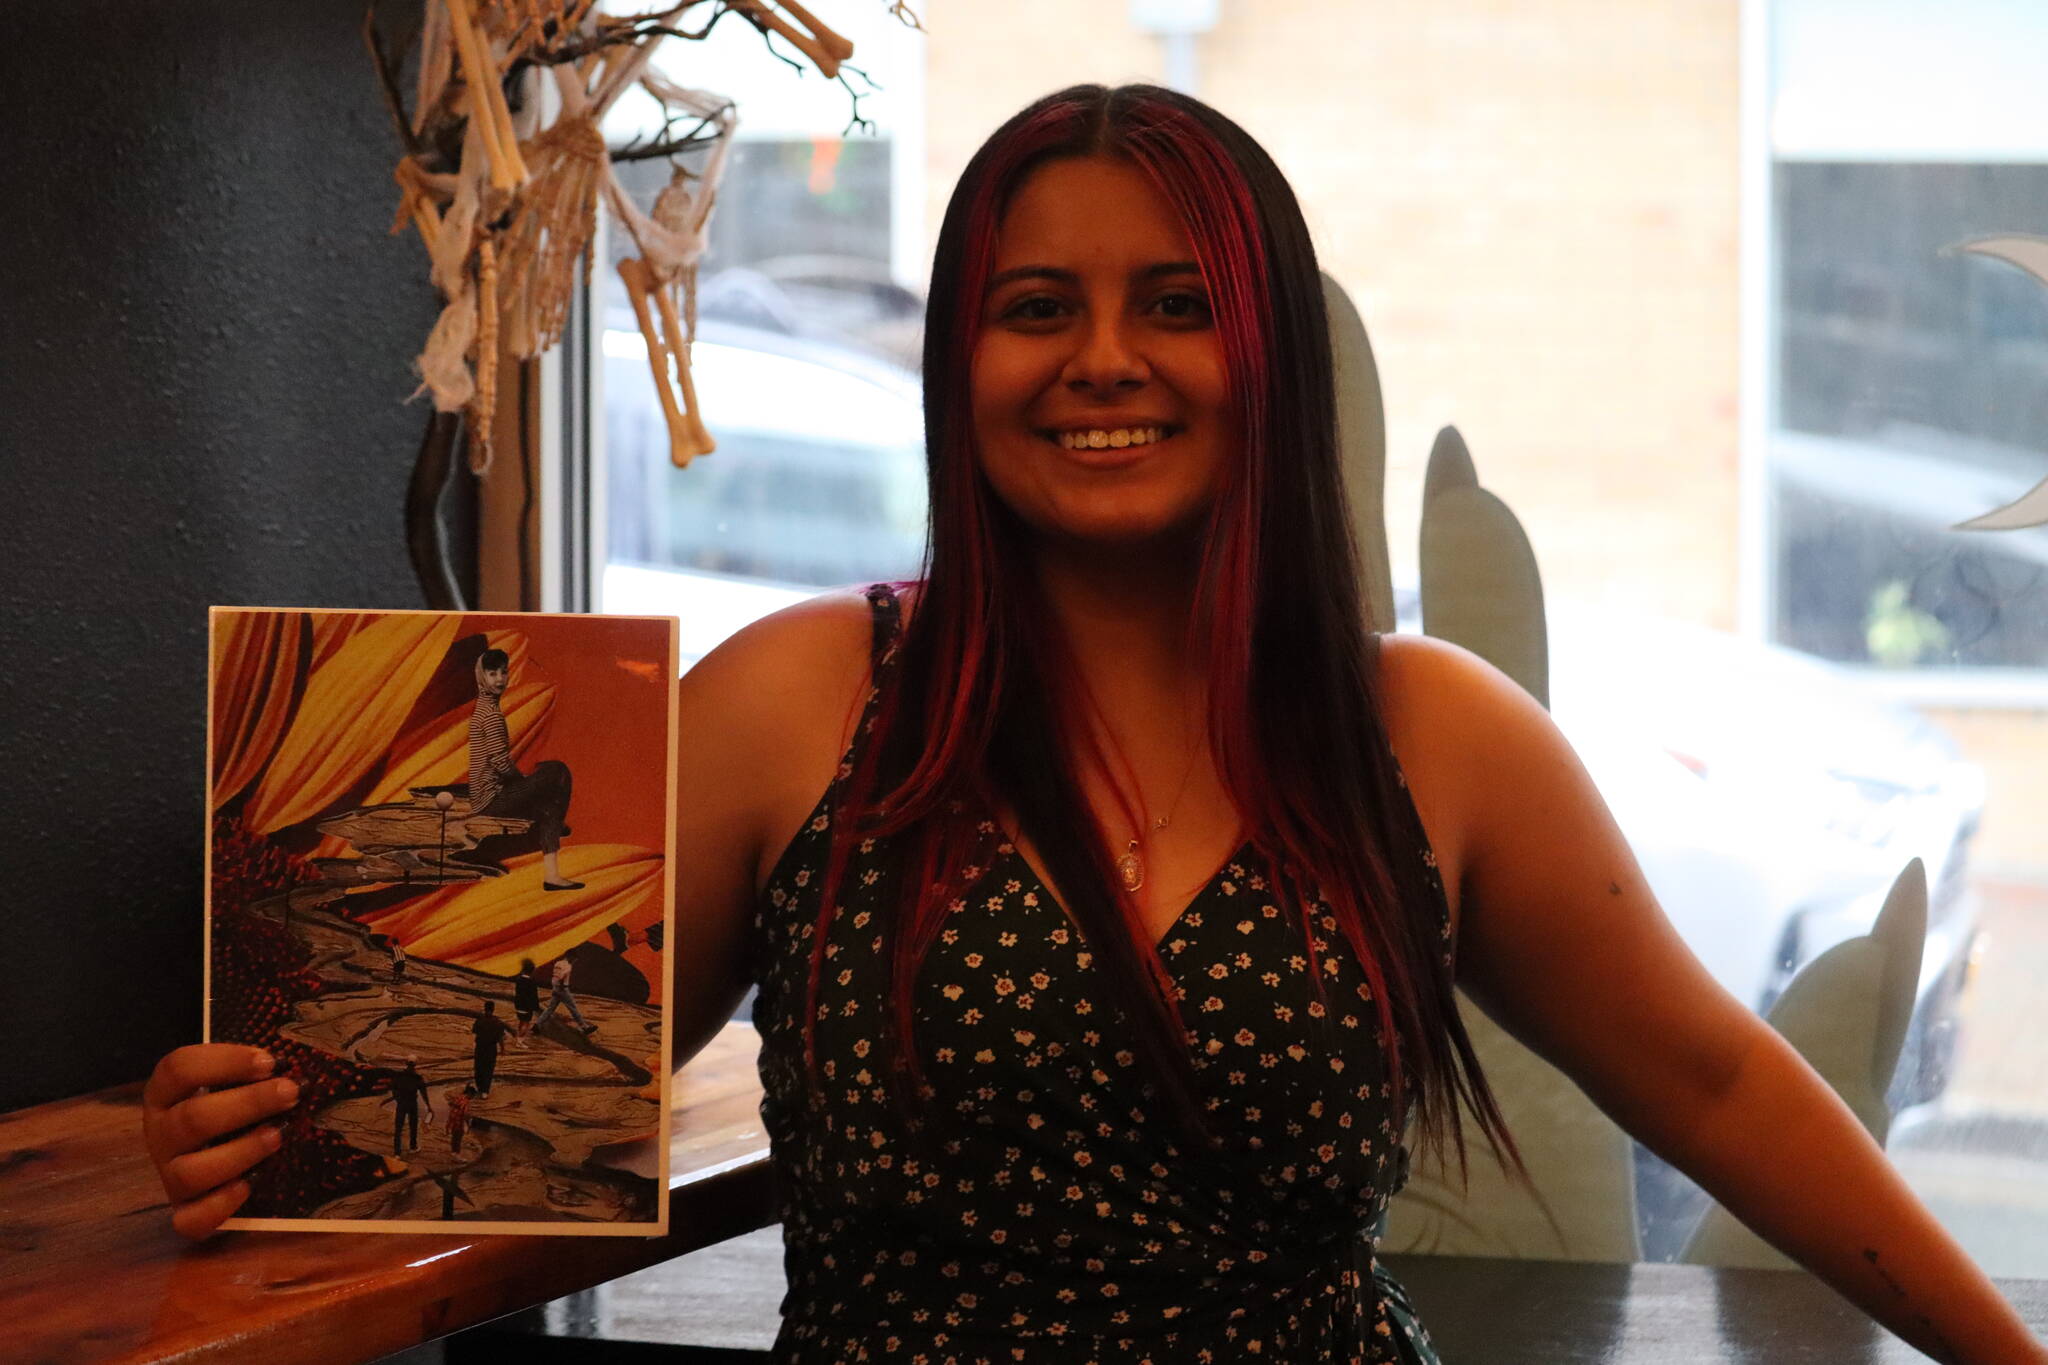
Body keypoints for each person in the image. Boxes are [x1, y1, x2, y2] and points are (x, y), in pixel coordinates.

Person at [138, 84, 2045, 1362]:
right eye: (1035, 306)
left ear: (1266, 355)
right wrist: (258, 1134)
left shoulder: (1430, 738)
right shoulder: (801, 702)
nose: (1104, 359)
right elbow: (496, 1100)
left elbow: (1714, 1089)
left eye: (1176, 304)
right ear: (955, 359)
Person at [467, 648, 582, 892]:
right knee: (557, 771)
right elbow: (500, 762)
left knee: (549, 805)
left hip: (484, 795)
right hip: (492, 799)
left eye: (503, 672)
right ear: (481, 676)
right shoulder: (491, 715)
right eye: (492, 673)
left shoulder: (483, 708)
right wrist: (524, 782)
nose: (500, 679)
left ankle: (552, 875)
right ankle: (554, 827)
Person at [530, 955, 597, 1037]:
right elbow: (561, 976)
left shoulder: (558, 963)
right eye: (574, 960)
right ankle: (585, 1027)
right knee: (573, 1008)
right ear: (571, 957)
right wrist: (561, 986)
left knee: (550, 1009)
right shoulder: (568, 966)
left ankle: (536, 1025)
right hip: (563, 989)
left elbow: (555, 976)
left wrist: (555, 987)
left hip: (555, 988)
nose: (574, 962)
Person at [379, 1058, 432, 1156]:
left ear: (406, 1063)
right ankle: (413, 1147)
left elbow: (393, 1088)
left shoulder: (399, 1076)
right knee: (413, 1126)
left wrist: (397, 1099)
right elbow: (424, 1093)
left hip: (402, 1103)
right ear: (415, 1065)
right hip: (412, 1103)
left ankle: (397, 1153)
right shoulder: (417, 1077)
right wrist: (428, 1106)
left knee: (398, 1128)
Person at [472, 1000, 509, 1094]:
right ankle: (485, 1090)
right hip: (491, 1049)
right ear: (493, 1009)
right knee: (488, 1069)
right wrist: (503, 1049)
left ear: (485, 1009)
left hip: (480, 1047)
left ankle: (480, 1087)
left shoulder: (479, 1020)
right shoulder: (498, 1023)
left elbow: (475, 1032)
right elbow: (500, 1038)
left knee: (478, 1068)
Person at [511, 958, 540, 1047]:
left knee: (521, 1022)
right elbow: (534, 996)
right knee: (526, 1023)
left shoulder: (518, 980)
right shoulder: (532, 982)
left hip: (518, 1004)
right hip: (527, 1006)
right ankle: (520, 1041)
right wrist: (535, 1007)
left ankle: (518, 1039)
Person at [445, 1082, 476, 1155]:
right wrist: (468, 1124)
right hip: (458, 1122)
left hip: (452, 1120)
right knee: (458, 1138)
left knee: (454, 1137)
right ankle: (456, 1153)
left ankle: (453, 1152)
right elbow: (465, 1114)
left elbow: (450, 1103)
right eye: (473, 1095)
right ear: (470, 1093)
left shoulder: (459, 1097)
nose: (473, 1097)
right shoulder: (465, 1102)